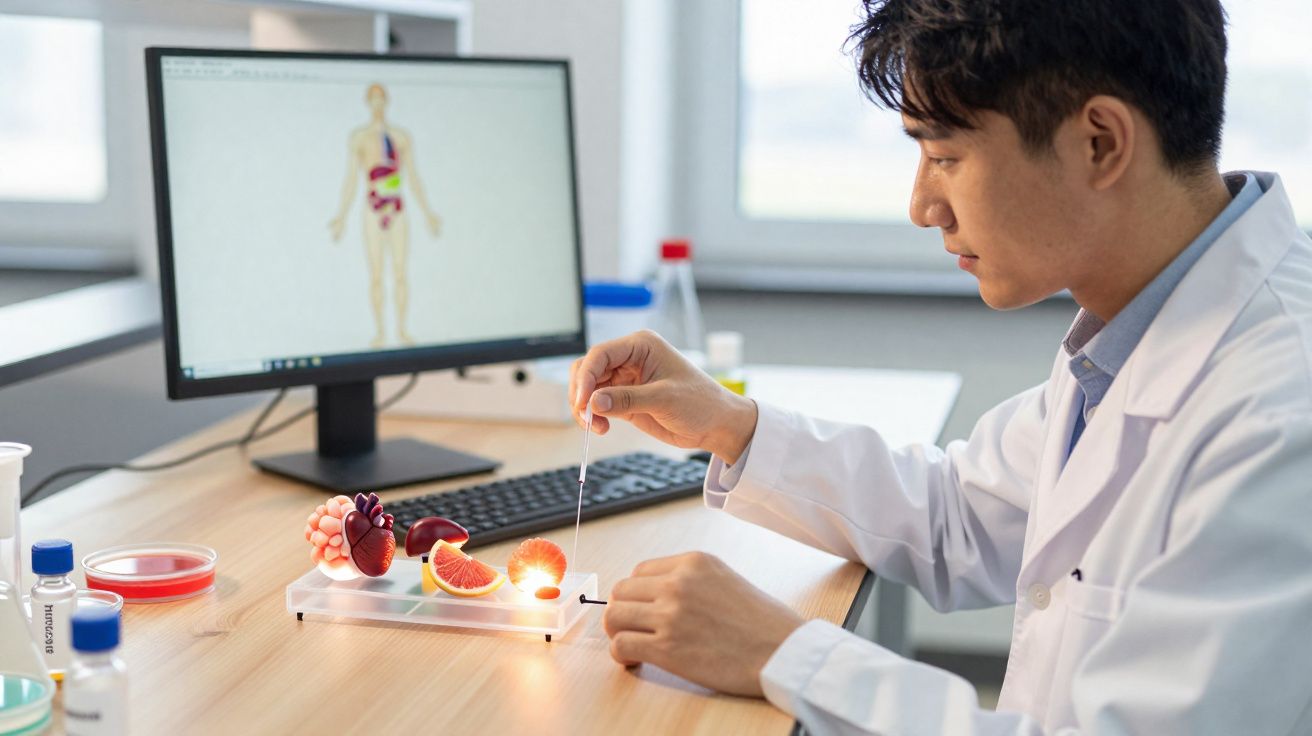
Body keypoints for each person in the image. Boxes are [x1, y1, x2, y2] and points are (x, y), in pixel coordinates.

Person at [568, 1, 1312, 733]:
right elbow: (963, 512)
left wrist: (785, 651)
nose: (924, 206)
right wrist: (730, 425)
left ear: (1099, 144)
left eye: (945, 156)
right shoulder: (1142, 329)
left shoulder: (1278, 410)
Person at [329, 83, 442, 349]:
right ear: (368, 103)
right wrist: (341, 216)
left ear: (387, 102)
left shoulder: (401, 137)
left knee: (401, 272)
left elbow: (413, 176)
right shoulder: (359, 138)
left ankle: (402, 330)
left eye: (382, 99)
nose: (378, 105)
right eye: (373, 100)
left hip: (397, 207)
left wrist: (428, 212)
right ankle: (380, 332)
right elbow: (350, 179)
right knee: (377, 274)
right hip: (373, 208)